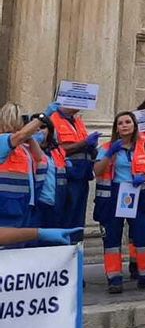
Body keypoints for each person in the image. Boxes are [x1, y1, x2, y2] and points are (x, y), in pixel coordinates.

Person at [92, 110, 145, 292]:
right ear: (116, 127)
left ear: (134, 125)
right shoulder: (107, 148)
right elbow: (97, 171)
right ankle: (114, 278)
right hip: (113, 194)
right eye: (120, 123)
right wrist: (109, 155)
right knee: (112, 238)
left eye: (128, 122)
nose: (124, 125)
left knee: (142, 236)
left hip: (138, 192)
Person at [47, 99, 97, 228]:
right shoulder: (53, 119)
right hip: (67, 175)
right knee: (66, 216)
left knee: (78, 217)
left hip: (82, 174)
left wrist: (92, 148)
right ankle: (63, 246)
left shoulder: (77, 120)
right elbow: (57, 149)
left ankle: (75, 245)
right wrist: (85, 143)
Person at [0, 102, 49, 233]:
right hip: (6, 205)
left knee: (20, 247)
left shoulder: (23, 147)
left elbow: (40, 158)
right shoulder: (2, 140)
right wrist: (42, 118)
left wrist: (30, 137)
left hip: (24, 203)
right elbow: (19, 136)